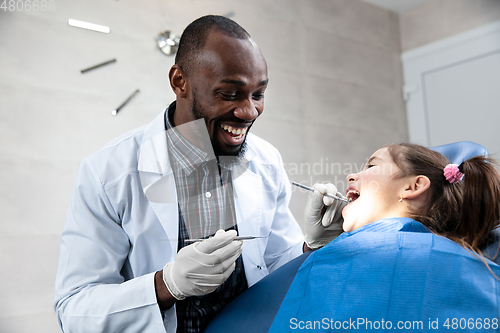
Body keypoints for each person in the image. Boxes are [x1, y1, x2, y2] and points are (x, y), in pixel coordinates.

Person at [53, 15, 344, 333]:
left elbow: (272, 261)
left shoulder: (266, 159)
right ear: (180, 81)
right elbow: (74, 310)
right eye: (229, 94)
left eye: (258, 95)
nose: (248, 112)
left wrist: (312, 246)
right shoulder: (107, 172)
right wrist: (167, 285)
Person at [204, 142, 500, 333]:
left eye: (371, 166)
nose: (351, 177)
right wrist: (313, 248)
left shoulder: (380, 251)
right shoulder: (446, 256)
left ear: (414, 186)